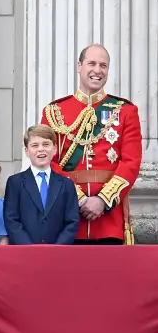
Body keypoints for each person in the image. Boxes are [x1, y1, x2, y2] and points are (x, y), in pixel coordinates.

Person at [41, 44, 142, 245]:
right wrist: (78, 199)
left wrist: (103, 200)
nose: (98, 70)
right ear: (79, 66)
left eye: (103, 65)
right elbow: (46, 162)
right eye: (92, 63)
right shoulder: (54, 112)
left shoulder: (125, 111)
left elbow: (131, 163)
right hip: (68, 218)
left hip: (109, 220)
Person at [3, 125, 79, 245]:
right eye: (35, 145)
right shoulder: (15, 182)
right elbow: (11, 220)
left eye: (46, 144)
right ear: (27, 151)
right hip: (24, 252)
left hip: (58, 253)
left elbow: (72, 221)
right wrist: (29, 248)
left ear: (54, 149)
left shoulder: (66, 184)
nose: (41, 149)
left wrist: (57, 248)